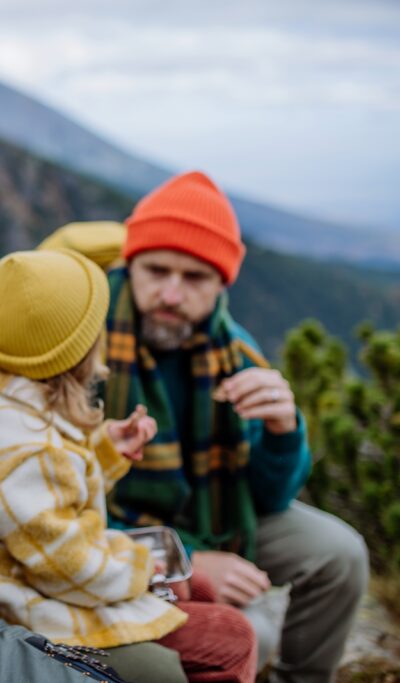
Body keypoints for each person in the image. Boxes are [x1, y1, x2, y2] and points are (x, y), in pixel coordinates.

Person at [43, 171, 367, 683]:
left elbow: (269, 498)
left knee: (340, 554)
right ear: (131, 263)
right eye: (156, 270)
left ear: (221, 284)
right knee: (241, 635)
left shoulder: (232, 352)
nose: (171, 294)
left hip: (211, 515)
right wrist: (185, 559)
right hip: (100, 529)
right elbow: (45, 501)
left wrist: (285, 430)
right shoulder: (79, 339)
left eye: (194, 278)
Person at [0, 248, 259, 683]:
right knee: (231, 638)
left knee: (197, 593)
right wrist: (144, 565)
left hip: (30, 579)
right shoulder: (30, 448)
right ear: (77, 351)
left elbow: (43, 496)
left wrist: (103, 454)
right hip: (21, 602)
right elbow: (66, 564)